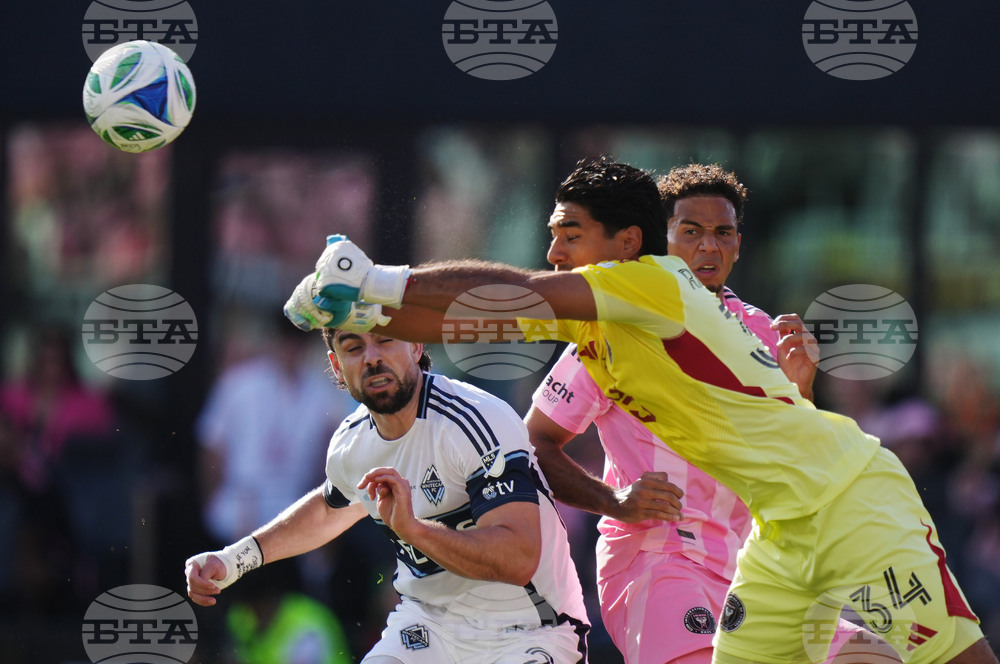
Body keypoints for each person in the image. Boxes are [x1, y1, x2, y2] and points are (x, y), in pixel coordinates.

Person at [285, 161, 997, 664]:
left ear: (626, 245)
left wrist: (373, 279)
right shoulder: (600, 326)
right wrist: (363, 306)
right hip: (778, 536)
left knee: (945, 658)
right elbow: (483, 313)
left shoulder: (654, 284)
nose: (553, 251)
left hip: (847, 501)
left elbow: (518, 289)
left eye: (571, 233)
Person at [524, 161, 825, 664]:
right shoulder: (614, 326)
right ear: (659, 242)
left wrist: (802, 390)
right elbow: (535, 442)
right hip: (656, 560)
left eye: (722, 233)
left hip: (751, 568)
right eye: (690, 231)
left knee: (872, 654)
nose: (709, 246)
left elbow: (802, 468)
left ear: (737, 244)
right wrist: (615, 498)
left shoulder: (766, 334)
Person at [185, 326, 592, 664]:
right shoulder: (349, 443)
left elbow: (518, 558)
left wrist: (415, 530)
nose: (372, 358)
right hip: (428, 627)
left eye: (385, 340)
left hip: (528, 629)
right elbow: (330, 509)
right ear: (337, 367)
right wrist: (232, 559)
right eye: (353, 347)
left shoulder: (477, 419)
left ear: (416, 346)